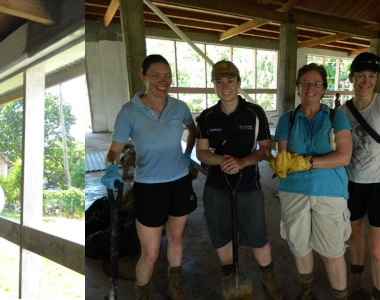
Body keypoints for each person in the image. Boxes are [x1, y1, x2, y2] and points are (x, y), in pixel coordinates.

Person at [101, 54, 197, 300]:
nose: (163, 81)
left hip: (179, 182)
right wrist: (111, 167)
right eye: (156, 75)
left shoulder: (179, 107)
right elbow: (114, 150)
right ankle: (142, 294)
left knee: (175, 240)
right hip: (149, 187)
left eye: (167, 76)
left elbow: (193, 128)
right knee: (151, 252)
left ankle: (175, 285)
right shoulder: (129, 112)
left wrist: (187, 154)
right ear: (143, 77)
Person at [196, 60, 283, 300]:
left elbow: (266, 148)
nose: (225, 87)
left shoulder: (255, 113)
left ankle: (268, 276)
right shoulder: (206, 117)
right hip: (216, 185)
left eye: (230, 81)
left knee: (257, 234)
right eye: (219, 81)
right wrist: (224, 161)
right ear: (213, 84)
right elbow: (202, 152)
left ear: (239, 83)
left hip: (248, 183)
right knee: (221, 232)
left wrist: (242, 162)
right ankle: (230, 276)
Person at [272, 63, 353, 300]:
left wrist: (307, 163)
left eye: (317, 83)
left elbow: (344, 156)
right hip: (293, 191)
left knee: (332, 250)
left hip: (330, 191)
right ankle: (306, 290)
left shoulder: (337, 118)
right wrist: (279, 163)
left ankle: (340, 296)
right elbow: (284, 157)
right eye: (305, 82)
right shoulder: (287, 120)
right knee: (299, 246)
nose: (311, 87)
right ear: (298, 87)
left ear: (324, 89)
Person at [336, 52, 380, 300]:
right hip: (352, 183)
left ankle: (379, 295)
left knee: (377, 250)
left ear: (376, 79)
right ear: (352, 78)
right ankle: (357, 280)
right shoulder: (342, 111)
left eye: (371, 76)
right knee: (354, 235)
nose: (366, 81)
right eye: (361, 76)